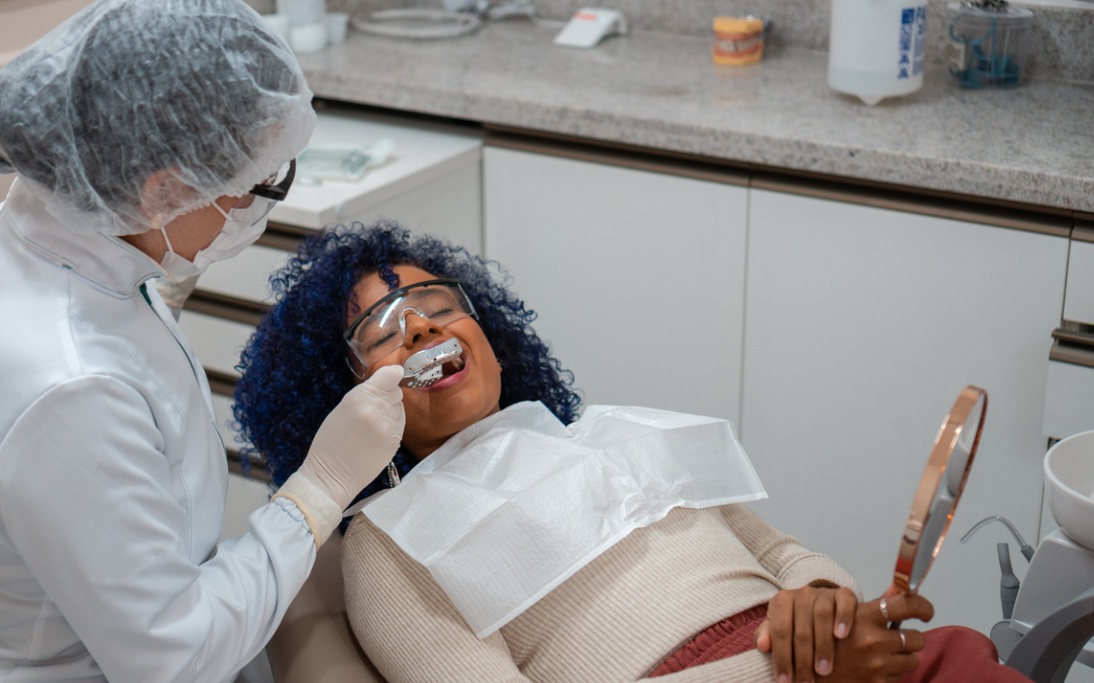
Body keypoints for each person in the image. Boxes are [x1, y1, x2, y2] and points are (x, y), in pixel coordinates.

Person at [234, 226, 1032, 683]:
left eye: (439, 305)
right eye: (383, 330)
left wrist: (819, 598)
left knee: (958, 656)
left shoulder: (610, 437)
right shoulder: (387, 541)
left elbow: (781, 554)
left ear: (492, 336)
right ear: (341, 400)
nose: (420, 328)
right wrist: (792, 673)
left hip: (816, 662)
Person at [0, 3, 407, 681]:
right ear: (163, 192)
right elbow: (173, 659)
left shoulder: (39, 223)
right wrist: (317, 491)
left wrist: (153, 287)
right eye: (259, 184)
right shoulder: (69, 385)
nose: (264, 207)